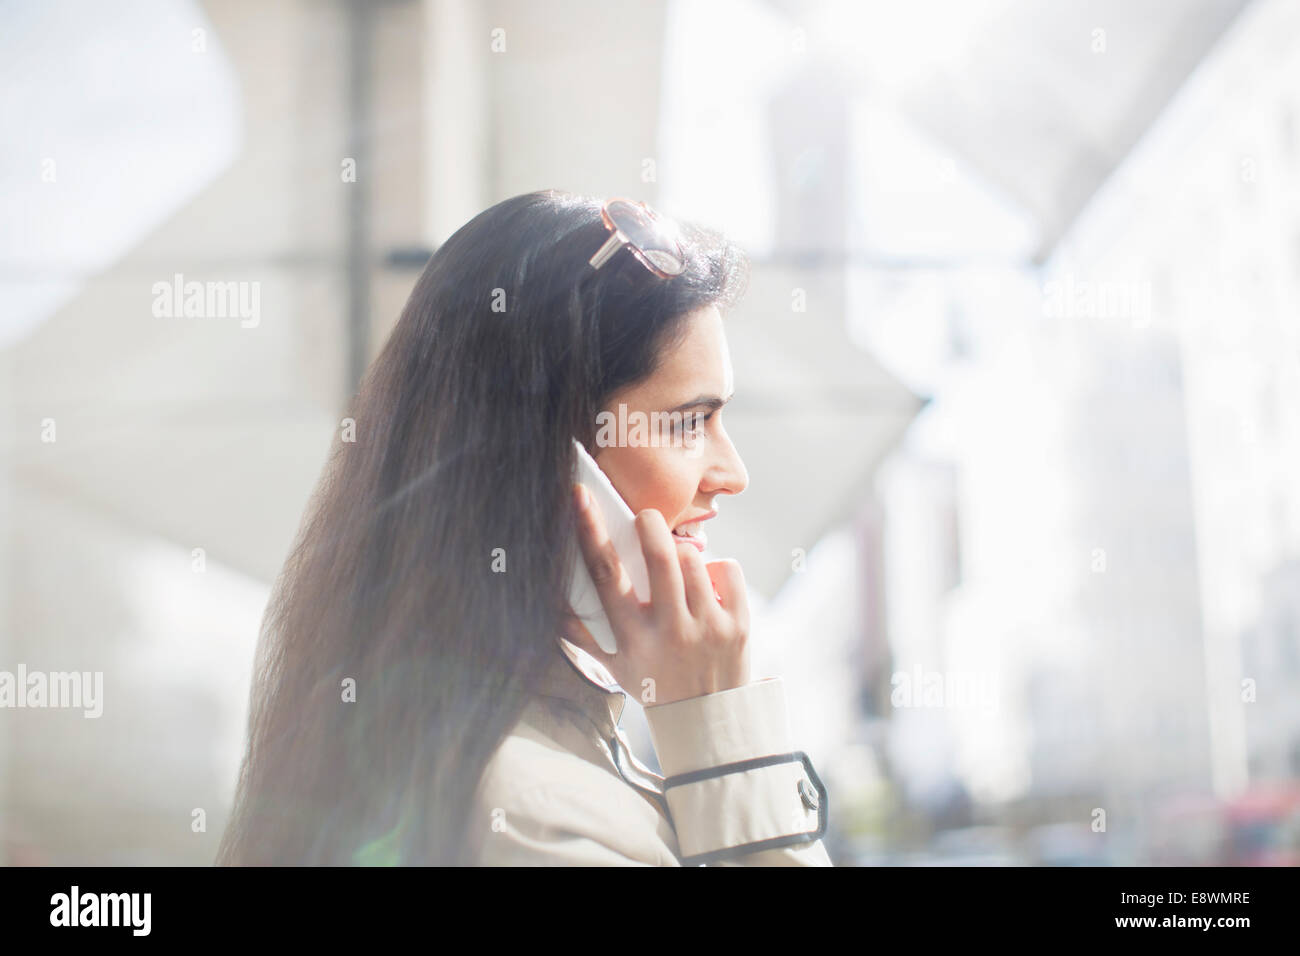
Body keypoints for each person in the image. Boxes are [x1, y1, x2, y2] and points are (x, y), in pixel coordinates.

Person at [215, 189, 831, 866]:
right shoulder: (540, 819)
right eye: (689, 421)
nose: (732, 472)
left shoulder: (469, 754)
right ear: (547, 457)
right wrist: (722, 730)